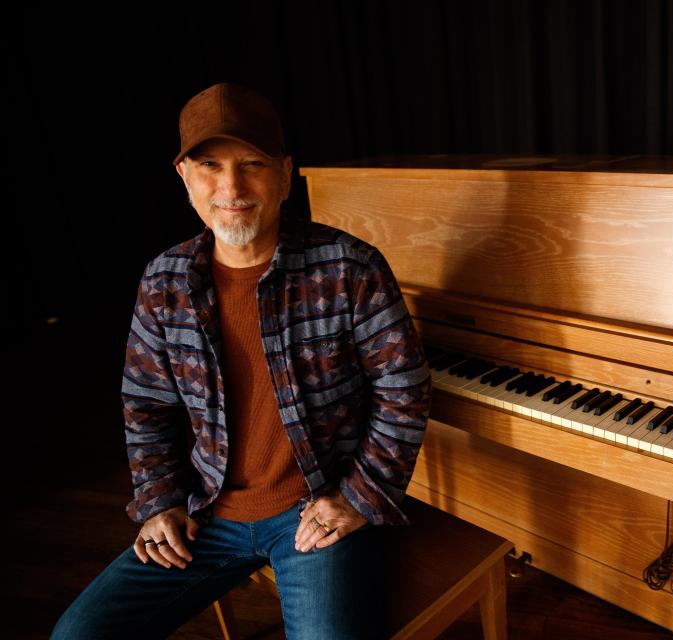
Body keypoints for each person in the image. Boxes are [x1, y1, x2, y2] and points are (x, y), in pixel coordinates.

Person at [51, 82, 432, 639]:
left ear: (284, 173)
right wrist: (160, 502)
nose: (231, 187)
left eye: (252, 163)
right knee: (78, 635)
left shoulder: (350, 266)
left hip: (316, 514)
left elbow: (405, 390)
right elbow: (146, 405)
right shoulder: (164, 280)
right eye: (210, 165)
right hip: (208, 517)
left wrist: (358, 497)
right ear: (184, 176)